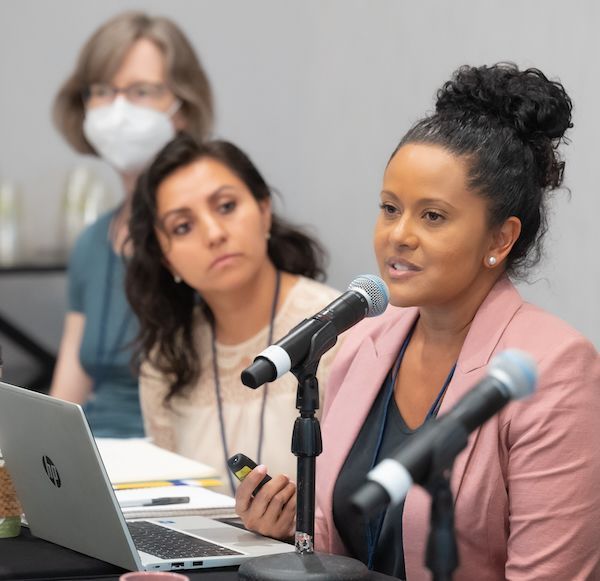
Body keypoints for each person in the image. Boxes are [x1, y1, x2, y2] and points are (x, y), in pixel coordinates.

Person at [235, 63, 600, 579]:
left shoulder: (555, 369)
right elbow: (343, 538)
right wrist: (284, 527)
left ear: (500, 239)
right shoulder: (365, 341)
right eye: (389, 208)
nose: (398, 235)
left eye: (432, 216)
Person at [125, 133, 343, 493]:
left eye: (226, 206)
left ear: (264, 210)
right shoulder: (166, 360)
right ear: (167, 259)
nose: (213, 234)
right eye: (183, 226)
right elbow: (169, 503)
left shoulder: (338, 329)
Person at [49, 12, 213, 437]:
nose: (118, 108)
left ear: (182, 107)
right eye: (102, 90)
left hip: (180, 469)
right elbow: (66, 396)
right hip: (96, 460)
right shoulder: (91, 243)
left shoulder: (210, 235)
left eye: (141, 91)